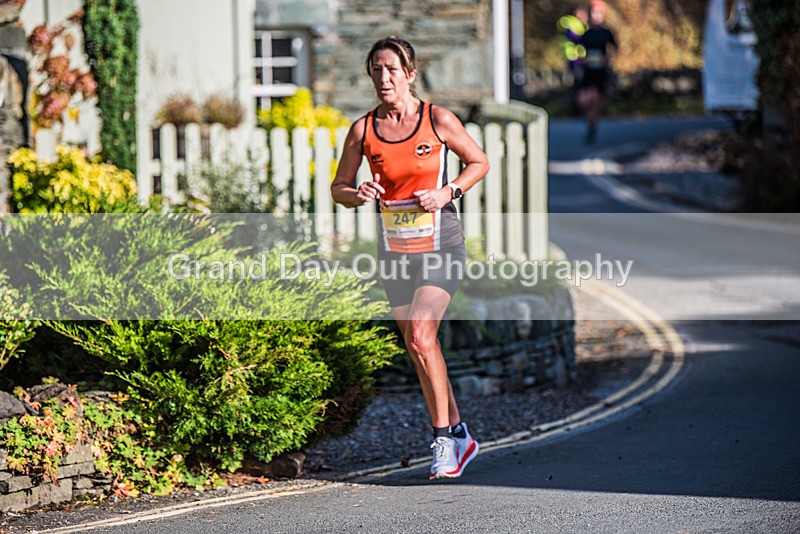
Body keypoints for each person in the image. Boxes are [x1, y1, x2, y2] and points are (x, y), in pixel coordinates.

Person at [331, 36, 489, 480]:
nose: (384, 78)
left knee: (420, 335)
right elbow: (339, 187)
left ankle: (442, 441)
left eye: (392, 70)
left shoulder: (437, 119)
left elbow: (479, 162)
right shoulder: (363, 130)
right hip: (395, 252)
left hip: (441, 245)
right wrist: (357, 192)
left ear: (410, 74)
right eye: (376, 70)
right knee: (421, 347)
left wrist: (447, 192)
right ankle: (460, 433)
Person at [577, 0, 617, 143]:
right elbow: (578, 49)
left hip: (600, 72)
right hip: (588, 71)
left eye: (599, 13)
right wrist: (582, 59)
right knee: (583, 100)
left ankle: (592, 128)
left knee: (594, 99)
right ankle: (591, 122)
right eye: (594, 12)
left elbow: (616, 48)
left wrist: (609, 59)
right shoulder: (586, 34)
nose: (596, 15)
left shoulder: (606, 33)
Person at [559, 6, 589, 115]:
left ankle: (582, 107)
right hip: (573, 59)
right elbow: (572, 36)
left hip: (582, 60)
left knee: (582, 84)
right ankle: (576, 110)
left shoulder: (585, 26)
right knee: (577, 84)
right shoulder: (567, 21)